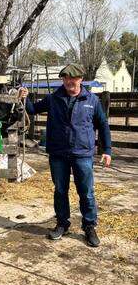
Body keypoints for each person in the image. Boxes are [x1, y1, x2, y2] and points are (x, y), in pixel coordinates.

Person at [20, 64, 111, 247]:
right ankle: (62, 223)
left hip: (82, 153)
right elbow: (32, 110)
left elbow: (103, 125)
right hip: (58, 153)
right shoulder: (54, 98)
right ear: (62, 79)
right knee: (60, 190)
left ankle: (89, 226)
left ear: (81, 79)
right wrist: (25, 98)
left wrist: (107, 150)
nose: (70, 81)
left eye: (73, 78)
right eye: (66, 78)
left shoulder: (91, 100)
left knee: (86, 192)